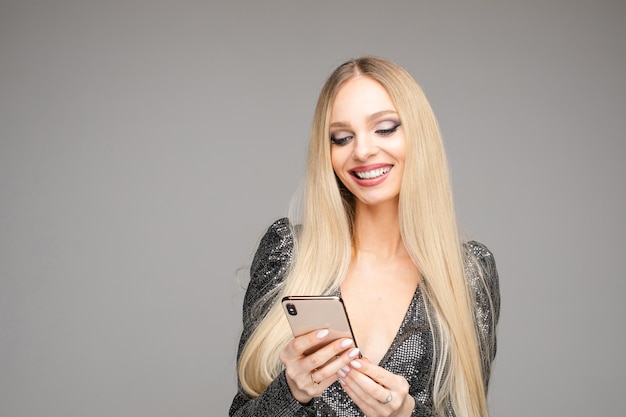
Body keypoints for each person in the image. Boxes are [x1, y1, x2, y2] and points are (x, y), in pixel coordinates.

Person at [229, 56, 500, 417]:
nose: (362, 150)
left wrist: (407, 414)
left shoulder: (469, 271)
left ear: (418, 134)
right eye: (342, 137)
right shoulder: (287, 251)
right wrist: (290, 392)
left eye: (385, 128)